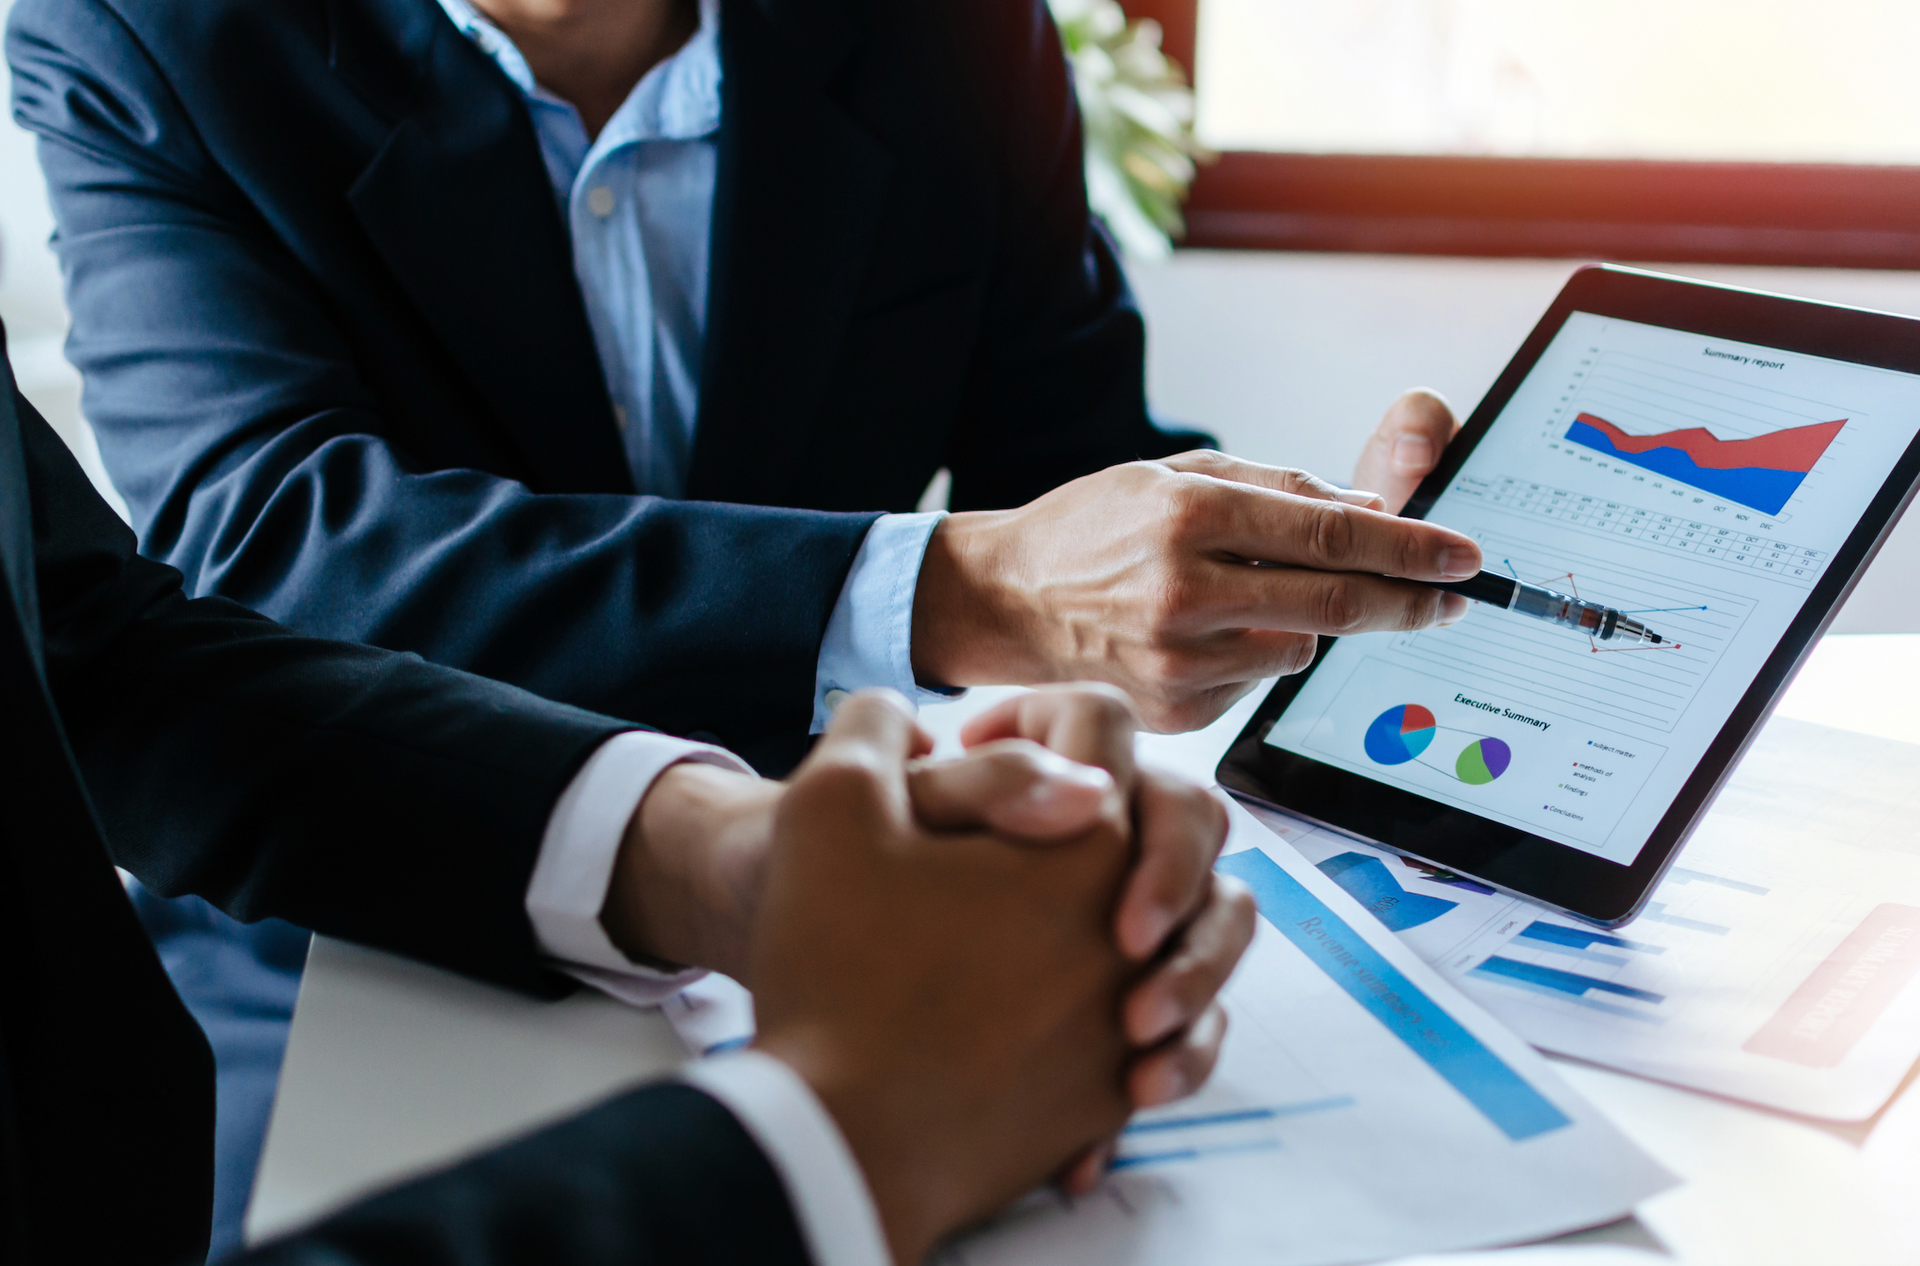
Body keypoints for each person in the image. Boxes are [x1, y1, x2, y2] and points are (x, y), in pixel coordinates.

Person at [6, 0, 1474, 1241]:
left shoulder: (947, 29)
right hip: (358, 928)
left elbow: (1073, 472)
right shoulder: (146, 34)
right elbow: (279, 545)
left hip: (879, 857)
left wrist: (1282, 561)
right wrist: (958, 590)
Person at [1, 326, 1253, 1264]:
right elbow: (279, 539)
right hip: (311, 1030)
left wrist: (727, 859)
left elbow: (86, 646)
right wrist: (843, 1141)